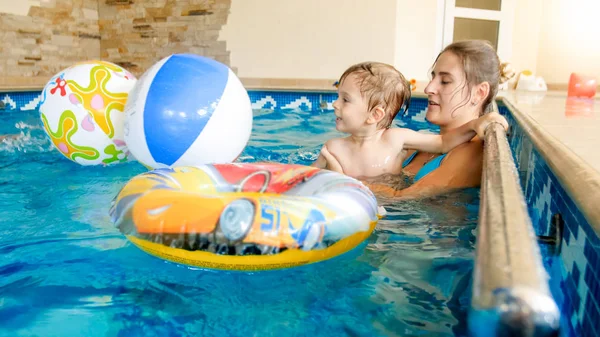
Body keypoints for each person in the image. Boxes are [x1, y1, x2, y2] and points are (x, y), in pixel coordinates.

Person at [366, 40, 515, 199]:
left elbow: (402, 198)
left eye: (445, 81)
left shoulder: (472, 153)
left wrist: (343, 180)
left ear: (479, 93)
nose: (428, 89)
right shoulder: (421, 141)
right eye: (433, 78)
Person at [311, 61, 508, 180]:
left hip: (390, 215)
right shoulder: (332, 148)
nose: (335, 104)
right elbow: (304, 178)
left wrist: (475, 124)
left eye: (345, 99)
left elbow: (443, 143)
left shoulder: (396, 139)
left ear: (375, 115)